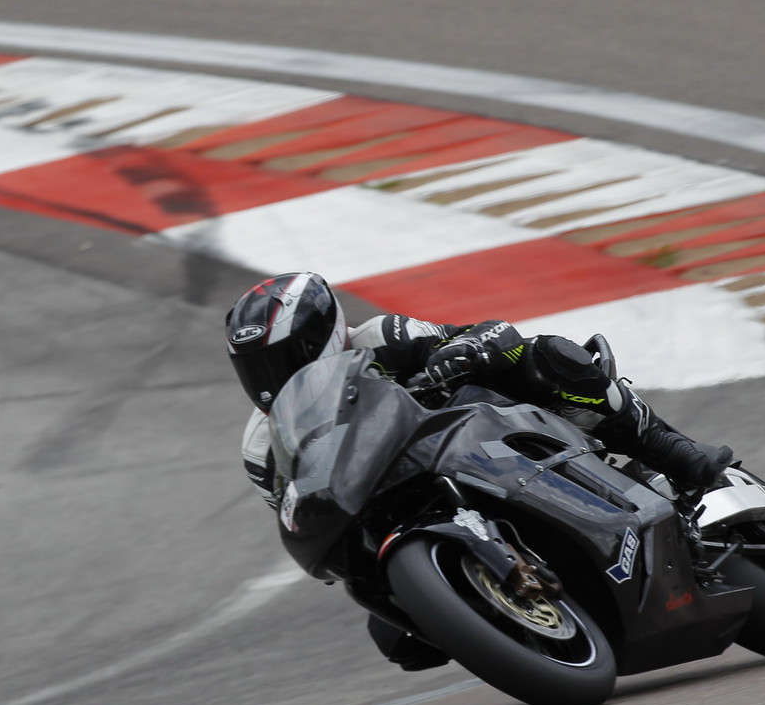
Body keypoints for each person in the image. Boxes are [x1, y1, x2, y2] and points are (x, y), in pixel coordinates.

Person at [225, 270, 734, 670]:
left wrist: (462, 351)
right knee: (401, 642)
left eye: (285, 357)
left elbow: (494, 332)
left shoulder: (381, 337)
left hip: (487, 433)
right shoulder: (261, 445)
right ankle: (496, 602)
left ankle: (671, 448)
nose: (272, 377)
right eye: (257, 367)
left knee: (545, 356)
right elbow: (306, 505)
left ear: (328, 333)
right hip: (392, 499)